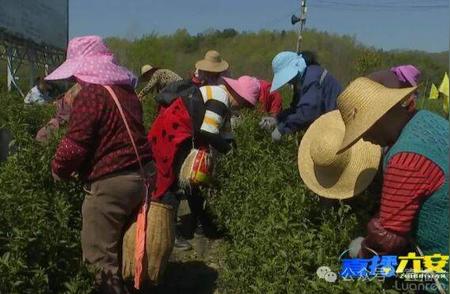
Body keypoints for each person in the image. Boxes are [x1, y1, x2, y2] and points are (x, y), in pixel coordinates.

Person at [46, 35, 155, 293]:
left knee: (100, 259)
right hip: (143, 175)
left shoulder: (91, 95)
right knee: (122, 245)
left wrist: (58, 168)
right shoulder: (126, 91)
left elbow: (75, 145)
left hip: (111, 184)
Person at [337, 78, 448, 290]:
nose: (365, 139)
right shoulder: (425, 119)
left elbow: (387, 239)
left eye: (363, 131)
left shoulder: (405, 158)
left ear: (376, 120)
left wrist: (360, 253)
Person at [148, 85, 251, 250]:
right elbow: (209, 132)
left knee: (194, 179)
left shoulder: (221, 98)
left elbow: (222, 134)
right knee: (170, 181)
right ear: (238, 96)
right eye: (245, 103)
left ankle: (200, 225)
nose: (243, 107)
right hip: (173, 132)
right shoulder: (220, 100)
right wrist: (230, 153)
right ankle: (169, 233)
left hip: (182, 131)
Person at [259, 51, 342, 142]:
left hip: (338, 127)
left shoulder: (312, 78)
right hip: (329, 126)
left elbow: (307, 113)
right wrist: (277, 119)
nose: (288, 82)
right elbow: (296, 108)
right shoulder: (302, 80)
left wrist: (282, 129)